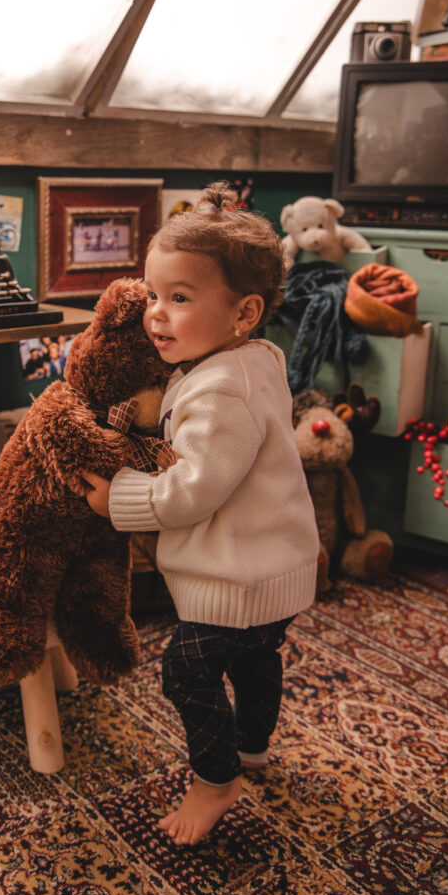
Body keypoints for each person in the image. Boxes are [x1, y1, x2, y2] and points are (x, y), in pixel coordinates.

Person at [81, 181, 319, 846]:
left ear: (244, 312)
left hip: (237, 576)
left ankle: (216, 781)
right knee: (256, 657)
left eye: (178, 299)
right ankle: (251, 746)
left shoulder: (219, 392)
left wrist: (116, 497)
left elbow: (192, 489)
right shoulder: (256, 359)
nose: (156, 315)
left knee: (186, 671)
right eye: (154, 295)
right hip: (278, 566)